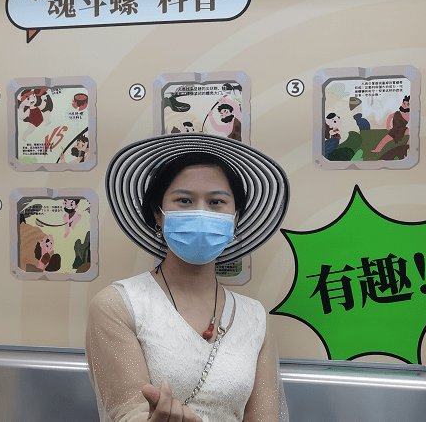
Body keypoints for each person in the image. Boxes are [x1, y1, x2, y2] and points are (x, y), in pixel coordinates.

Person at [87, 133, 290, 422]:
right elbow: (128, 412)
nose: (201, 213)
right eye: (184, 200)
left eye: (216, 202)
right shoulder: (118, 305)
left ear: (235, 218)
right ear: (158, 215)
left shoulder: (254, 316)